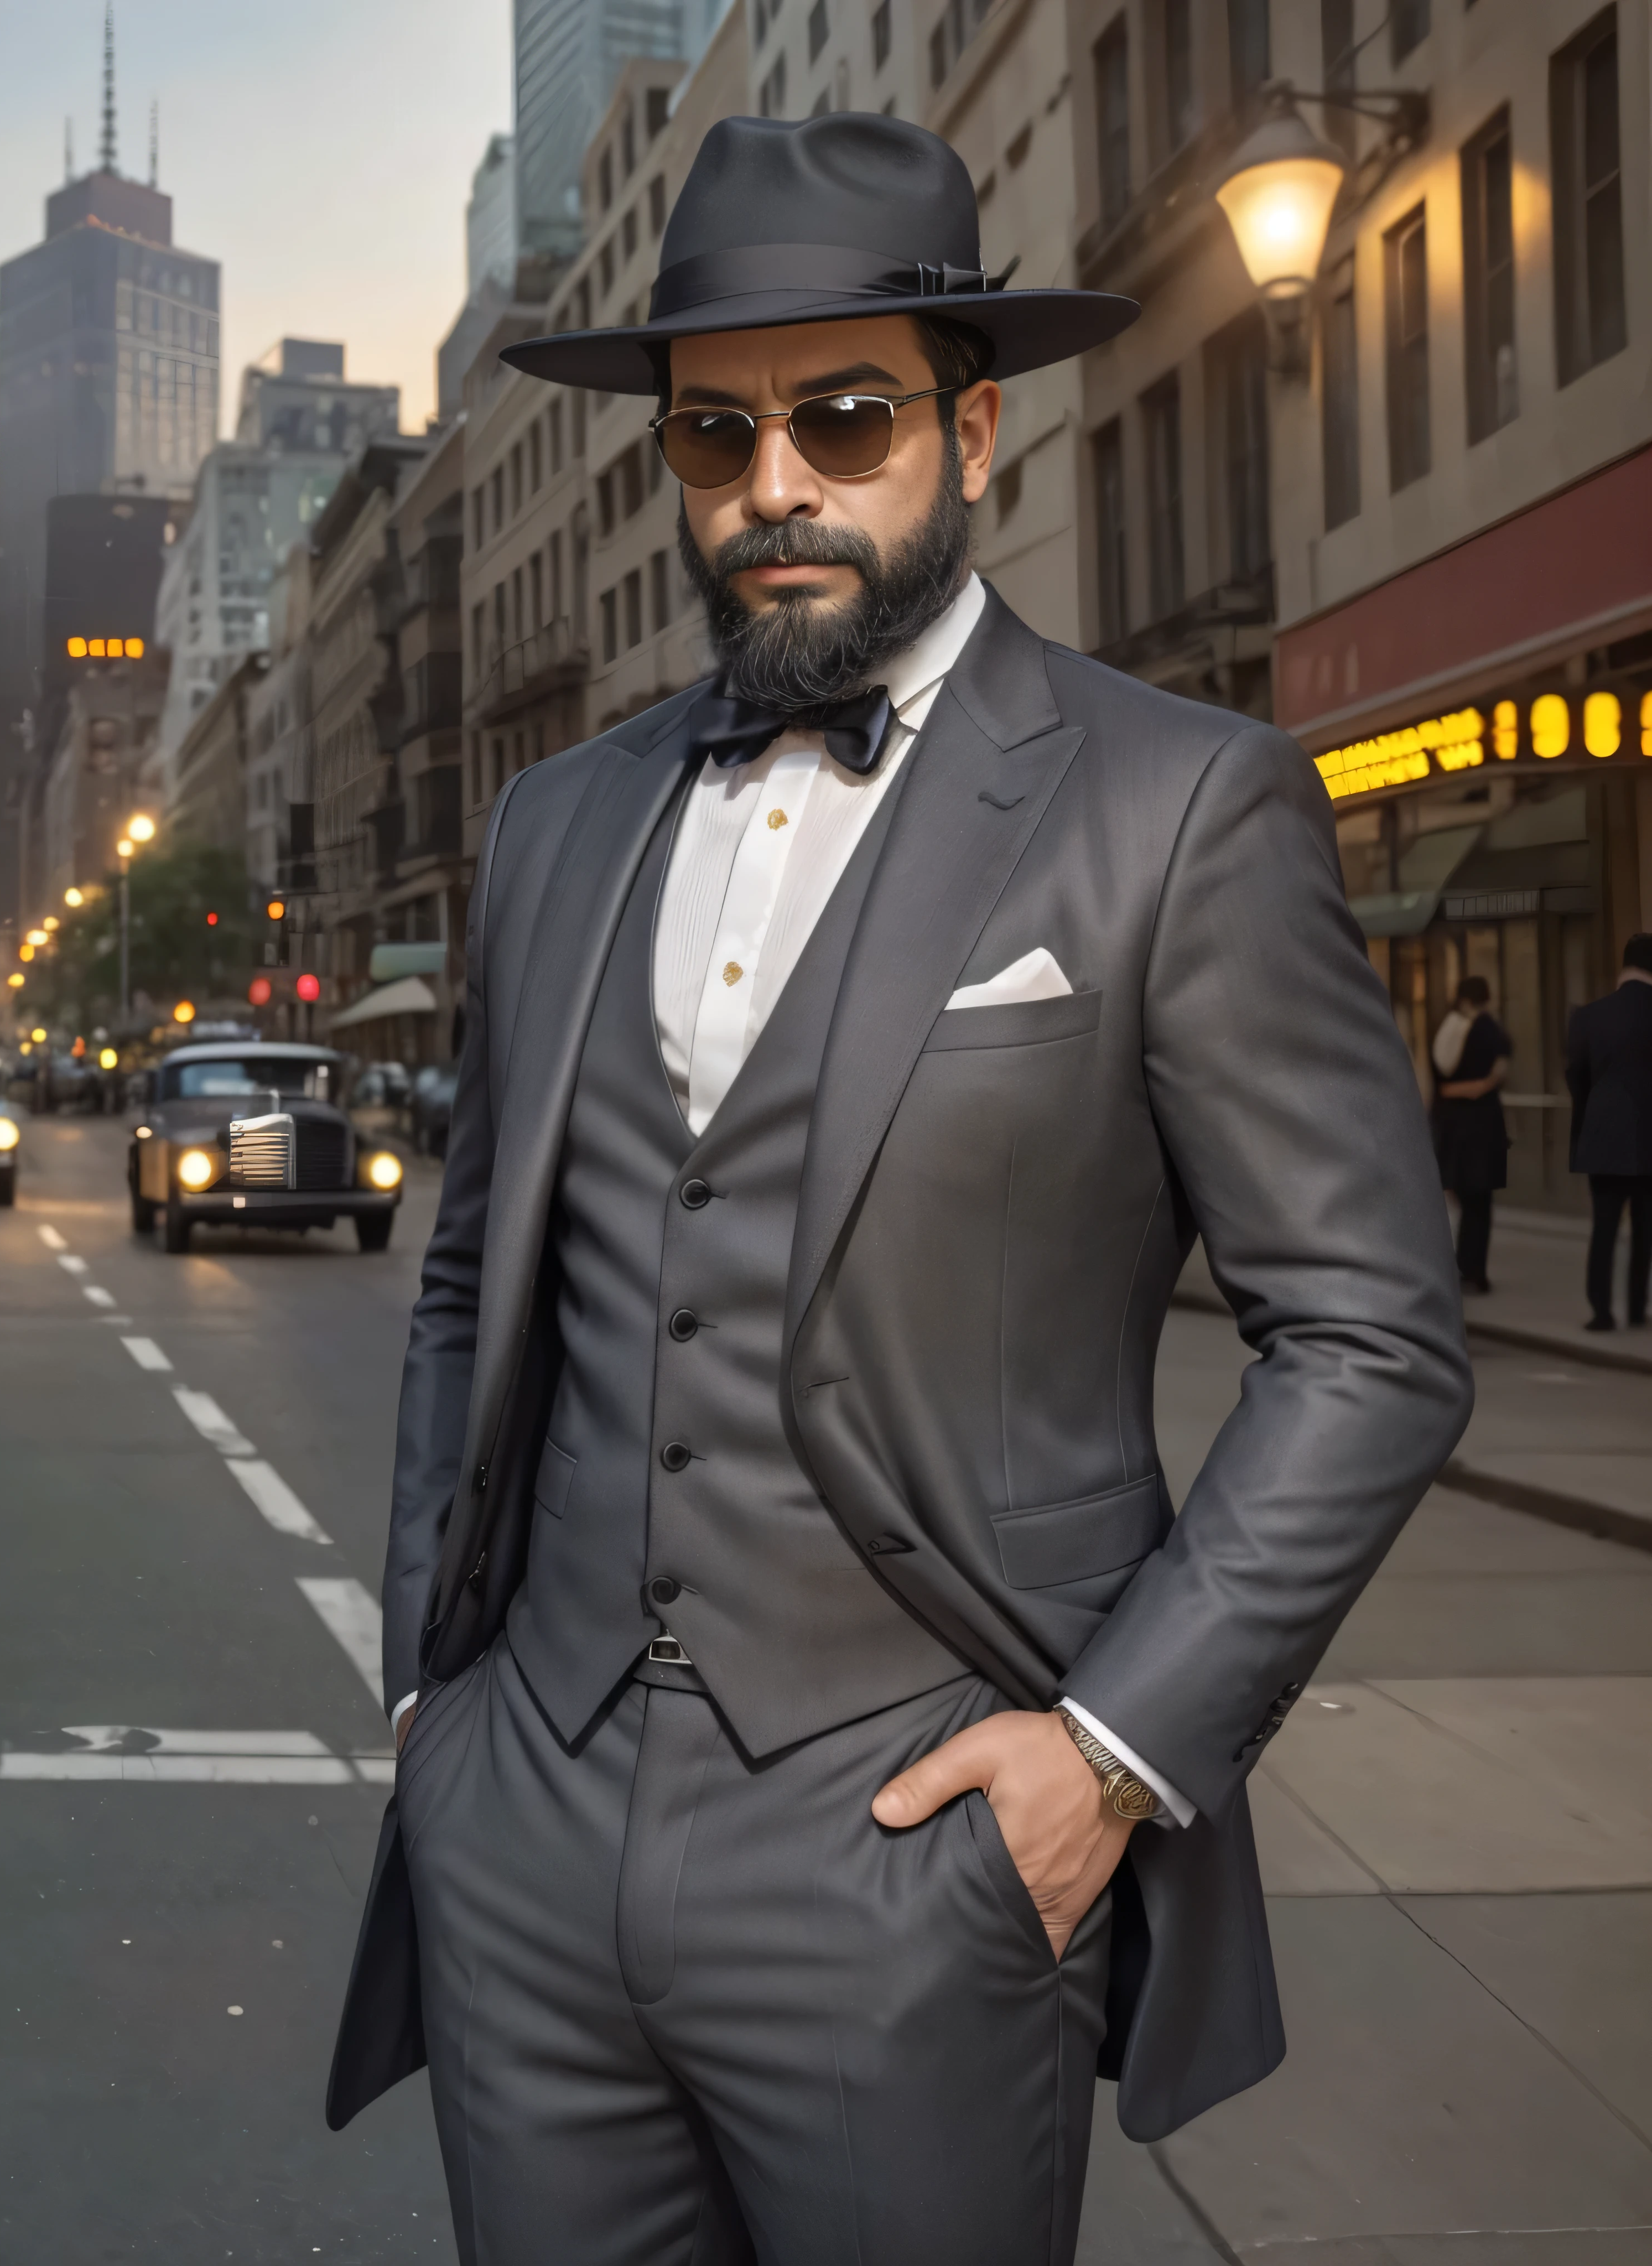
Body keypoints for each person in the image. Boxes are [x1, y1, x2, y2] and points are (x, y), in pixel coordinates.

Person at [326, 115, 1473, 2265]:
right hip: (527, 1845)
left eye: (842, 418)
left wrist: (1107, 1755)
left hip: (918, 1855)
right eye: (712, 434)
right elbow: (474, 1275)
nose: (774, 486)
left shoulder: (1174, 802)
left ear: (969, 430)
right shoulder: (554, 823)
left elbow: (1375, 1336)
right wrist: (432, 1701)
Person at [1566, 932, 1652, 1331]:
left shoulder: (1589, 1015)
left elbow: (1575, 1078)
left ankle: (1601, 1310)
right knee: (1646, 1228)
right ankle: (1638, 1307)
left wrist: (1590, 1123)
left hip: (1603, 1136)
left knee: (1603, 1226)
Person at [1430, 974, 1511, 1295]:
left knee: (1463, 1197)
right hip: (1485, 1125)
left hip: (1454, 1124)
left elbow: (1439, 1080)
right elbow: (1500, 1072)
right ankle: (1476, 1270)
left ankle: (1463, 1266)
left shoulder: (1448, 1029)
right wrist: (1483, 1086)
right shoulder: (1491, 1030)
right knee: (1481, 1201)